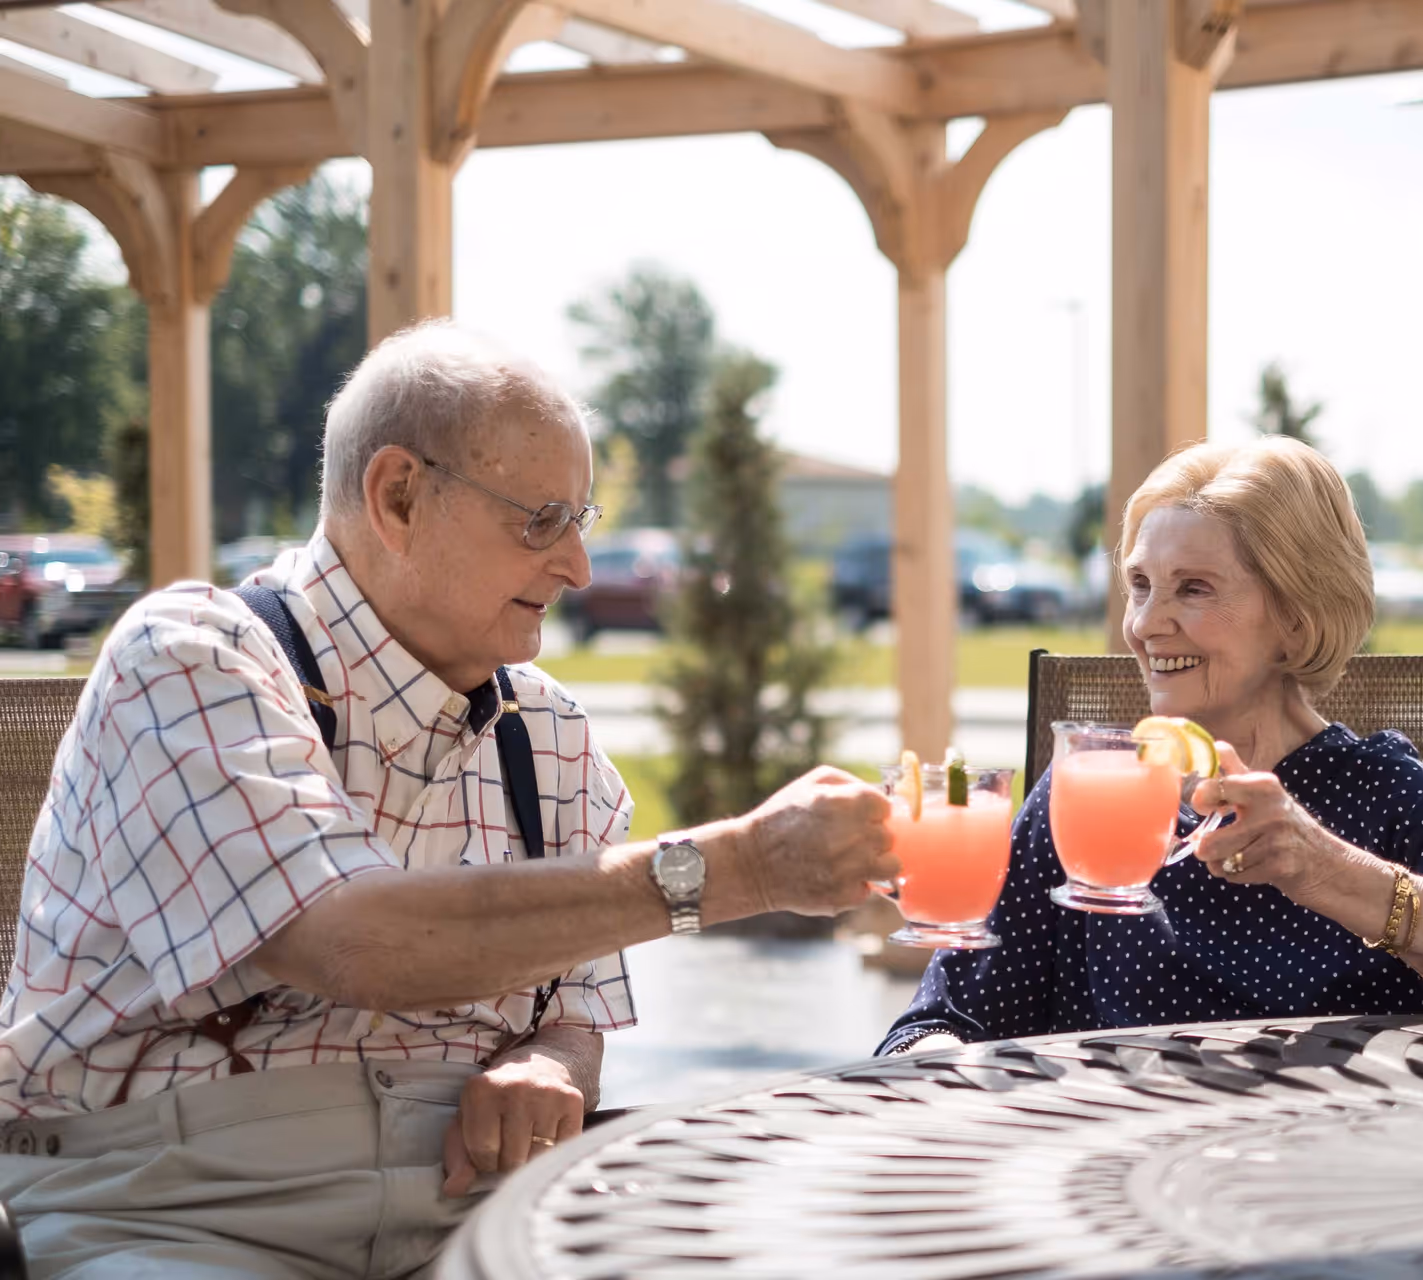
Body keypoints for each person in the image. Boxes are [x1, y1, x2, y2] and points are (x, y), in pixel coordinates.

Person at [0, 321, 897, 1278]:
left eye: (581, 525)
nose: (578, 569)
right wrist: (744, 867)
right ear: (399, 497)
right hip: (181, 1214)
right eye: (541, 519)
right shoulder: (190, 658)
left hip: (471, 1219)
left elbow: (576, 1010)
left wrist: (550, 1065)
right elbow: (354, 941)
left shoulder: (550, 730)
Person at [880, 437, 1423, 1056]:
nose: (1147, 624)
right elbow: (940, 1020)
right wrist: (945, 1067)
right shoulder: (1091, 793)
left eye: (1193, 589)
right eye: (1139, 585)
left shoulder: (1380, 793)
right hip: (1114, 1179)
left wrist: (1326, 869)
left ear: (1296, 618)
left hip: (1324, 1181)